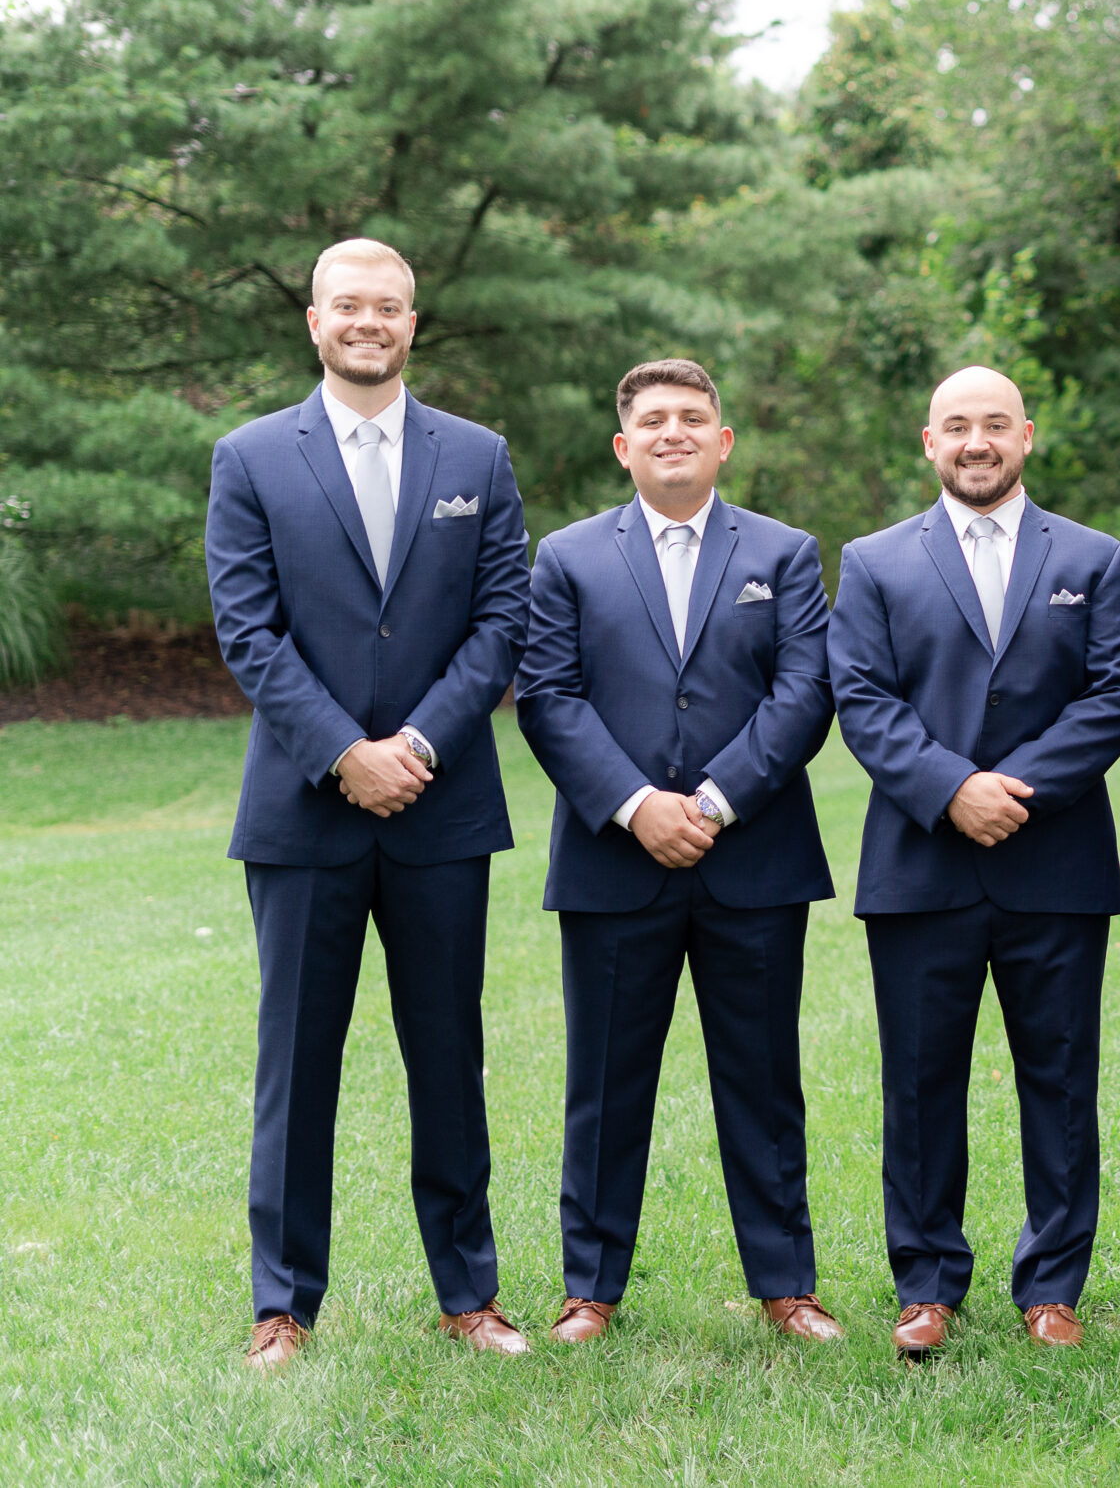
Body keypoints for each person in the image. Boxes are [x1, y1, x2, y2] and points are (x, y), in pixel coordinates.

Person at [206, 238, 533, 1368]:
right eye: (348, 305)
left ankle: (469, 1295)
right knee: (296, 1064)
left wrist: (419, 746)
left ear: (411, 322)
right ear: (314, 321)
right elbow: (249, 631)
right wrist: (346, 753)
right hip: (304, 812)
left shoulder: (478, 458)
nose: (368, 322)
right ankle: (281, 1305)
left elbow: (502, 623)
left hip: (441, 811)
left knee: (448, 1054)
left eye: (386, 307)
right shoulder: (250, 457)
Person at [514, 359, 842, 1346]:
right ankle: (591, 1290)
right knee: (606, 1087)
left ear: (723, 440)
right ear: (623, 446)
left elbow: (803, 692)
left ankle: (786, 1287)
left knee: (763, 1079)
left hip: (753, 859)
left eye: (692, 418)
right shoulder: (568, 558)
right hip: (615, 863)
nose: (672, 432)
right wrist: (631, 805)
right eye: (652, 420)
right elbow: (548, 695)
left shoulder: (784, 553)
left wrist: (712, 800)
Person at [830, 366, 1120, 1357]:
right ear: (928, 442)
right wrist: (950, 789)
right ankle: (926, 1284)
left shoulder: (1092, 559)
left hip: (1056, 863)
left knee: (1060, 1080)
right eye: (957, 425)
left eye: (994, 425)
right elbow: (863, 699)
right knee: (920, 1085)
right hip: (921, 864)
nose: (977, 441)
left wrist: (1013, 791)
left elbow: (1110, 696)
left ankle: (1052, 1287)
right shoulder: (876, 562)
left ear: (1026, 437)